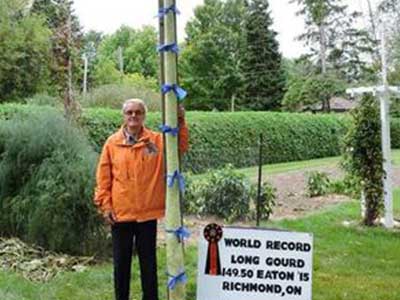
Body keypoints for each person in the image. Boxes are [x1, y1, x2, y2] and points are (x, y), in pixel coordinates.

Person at [94, 98, 189, 300]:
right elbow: (103, 179)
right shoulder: (112, 143)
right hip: (120, 214)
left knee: (149, 264)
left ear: (144, 116)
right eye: (129, 112)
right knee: (121, 265)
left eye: (138, 112)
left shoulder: (156, 141)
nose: (133, 116)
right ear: (124, 116)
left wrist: (180, 120)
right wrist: (105, 205)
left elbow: (179, 146)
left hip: (147, 215)